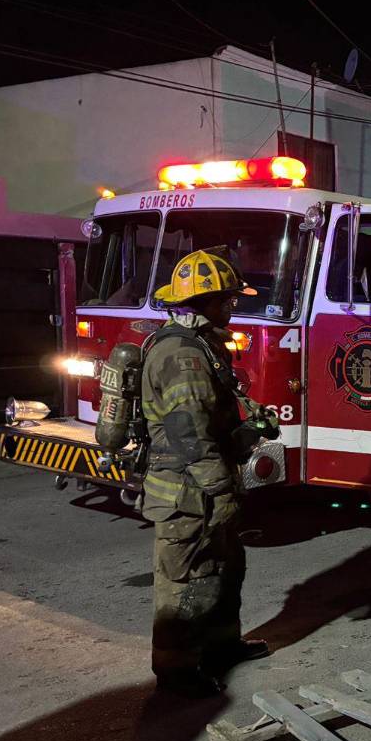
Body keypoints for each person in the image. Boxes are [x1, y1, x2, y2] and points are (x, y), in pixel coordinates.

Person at [142, 247, 272, 697]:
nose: (233, 307)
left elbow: (210, 420)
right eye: (227, 300)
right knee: (185, 583)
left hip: (201, 486)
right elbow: (190, 432)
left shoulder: (198, 344)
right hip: (188, 493)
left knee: (224, 568)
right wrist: (222, 489)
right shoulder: (183, 356)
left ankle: (221, 648)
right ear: (205, 302)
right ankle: (176, 676)